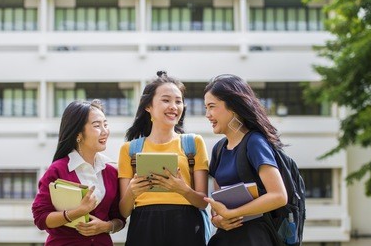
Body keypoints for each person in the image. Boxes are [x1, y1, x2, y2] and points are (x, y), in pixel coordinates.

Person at [118, 71, 209, 246]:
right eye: (166, 100)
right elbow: (123, 210)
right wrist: (132, 191)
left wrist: (183, 189)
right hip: (144, 227)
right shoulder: (129, 150)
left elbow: (203, 202)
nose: (174, 106)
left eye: (178, 101)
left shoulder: (194, 143)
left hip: (187, 227)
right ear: (148, 106)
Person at [203, 74, 288, 246]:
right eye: (206, 108)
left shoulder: (255, 142)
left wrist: (232, 213)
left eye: (212, 106)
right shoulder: (219, 149)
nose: (207, 114)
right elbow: (218, 202)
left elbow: (279, 195)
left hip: (255, 238)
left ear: (233, 106)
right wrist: (218, 220)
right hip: (226, 238)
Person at [32, 99, 125, 245]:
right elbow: (40, 218)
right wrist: (77, 212)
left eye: (105, 124)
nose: (104, 131)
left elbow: (119, 218)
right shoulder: (58, 170)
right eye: (97, 125)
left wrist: (107, 226)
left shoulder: (111, 171)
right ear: (78, 134)